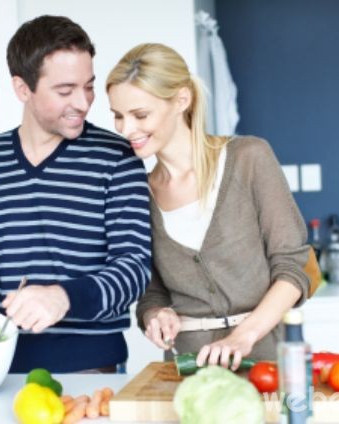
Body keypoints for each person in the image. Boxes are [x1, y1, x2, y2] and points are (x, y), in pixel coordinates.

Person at [0, 16, 151, 373]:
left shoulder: (117, 157)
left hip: (92, 365)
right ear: (23, 89)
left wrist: (63, 297)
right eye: (65, 90)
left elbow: (135, 268)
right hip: (2, 361)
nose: (84, 103)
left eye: (89, 86)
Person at [106, 43, 310, 371]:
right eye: (117, 116)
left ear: (181, 100)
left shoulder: (249, 158)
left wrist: (243, 336)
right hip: (187, 369)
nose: (126, 129)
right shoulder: (136, 192)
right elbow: (151, 290)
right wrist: (154, 315)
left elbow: (295, 268)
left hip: (267, 360)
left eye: (140, 115)